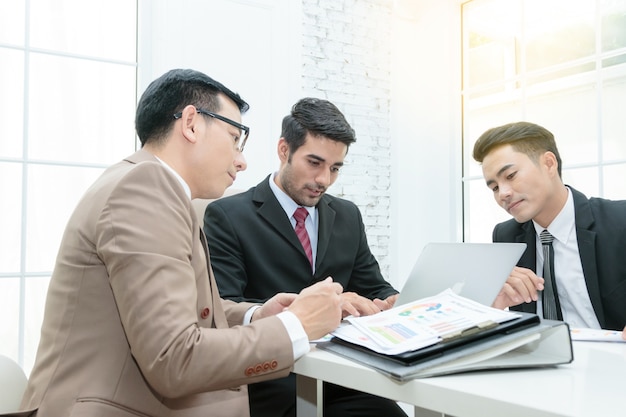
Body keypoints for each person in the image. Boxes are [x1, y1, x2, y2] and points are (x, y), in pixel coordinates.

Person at [16, 69, 344, 417]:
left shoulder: (149, 184)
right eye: (235, 138)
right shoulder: (145, 186)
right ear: (191, 123)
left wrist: (256, 314)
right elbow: (174, 357)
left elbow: (182, 312)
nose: (241, 160)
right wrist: (296, 327)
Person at [203, 97, 406, 417]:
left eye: (335, 168)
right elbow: (223, 306)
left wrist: (394, 302)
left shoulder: (348, 215)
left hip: (344, 376)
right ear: (284, 150)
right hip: (271, 379)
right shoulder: (227, 215)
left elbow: (374, 286)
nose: (324, 179)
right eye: (314, 163)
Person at [472, 121, 626, 339]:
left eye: (510, 176)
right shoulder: (506, 236)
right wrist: (492, 306)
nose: (503, 194)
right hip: (539, 365)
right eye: (494, 187)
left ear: (549, 164)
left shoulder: (619, 220)